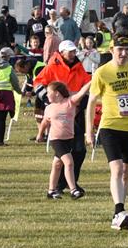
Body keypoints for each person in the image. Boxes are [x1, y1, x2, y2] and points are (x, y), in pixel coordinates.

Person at [82, 34, 128, 230]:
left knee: (125, 172)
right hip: (109, 127)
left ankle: (119, 215)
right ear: (111, 50)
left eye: (127, 50)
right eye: (119, 50)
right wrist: (89, 131)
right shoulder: (102, 72)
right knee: (116, 168)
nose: (123, 54)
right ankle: (119, 210)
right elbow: (91, 103)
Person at [32, 40, 91, 192]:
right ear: (62, 52)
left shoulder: (79, 67)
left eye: (74, 51)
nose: (73, 54)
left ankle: (71, 182)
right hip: (60, 117)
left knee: (79, 150)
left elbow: (87, 86)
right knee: (62, 154)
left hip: (76, 114)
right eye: (70, 51)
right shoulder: (53, 66)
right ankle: (59, 185)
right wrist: (49, 102)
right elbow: (38, 83)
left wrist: (81, 104)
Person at [38, 82, 85, 200]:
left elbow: (82, 93)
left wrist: (92, 80)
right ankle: (73, 190)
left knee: (57, 165)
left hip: (68, 139)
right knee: (69, 162)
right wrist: (40, 134)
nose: (47, 95)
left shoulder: (70, 102)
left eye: (49, 92)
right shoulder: (49, 107)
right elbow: (45, 122)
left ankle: (51, 191)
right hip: (56, 139)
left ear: (57, 93)